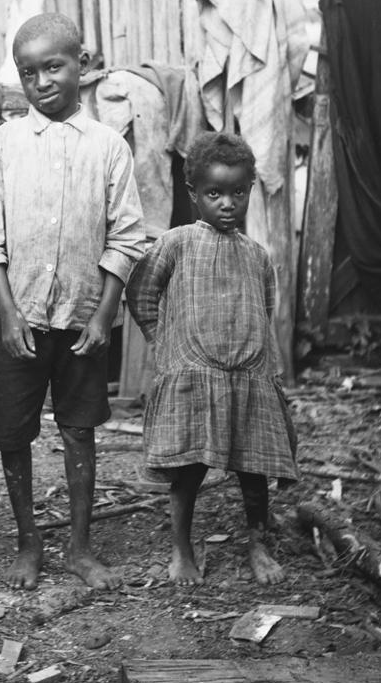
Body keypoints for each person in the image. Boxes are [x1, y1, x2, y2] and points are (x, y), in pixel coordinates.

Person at [0, 13, 146, 591]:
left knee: (79, 429)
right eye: (29, 72)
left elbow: (127, 237)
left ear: (82, 64)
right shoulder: (4, 145)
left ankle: (79, 547)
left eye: (53, 67)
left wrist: (103, 314)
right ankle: (28, 542)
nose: (42, 82)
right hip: (19, 319)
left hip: (82, 319)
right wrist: (7, 312)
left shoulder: (109, 147)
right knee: (13, 432)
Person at [125, 132, 299, 586]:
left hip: (248, 376)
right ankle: (181, 549)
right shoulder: (177, 243)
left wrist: (265, 367)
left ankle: (258, 543)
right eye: (214, 193)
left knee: (253, 470)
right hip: (195, 375)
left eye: (238, 192)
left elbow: (264, 311)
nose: (227, 204)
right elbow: (141, 293)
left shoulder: (257, 256)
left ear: (250, 190)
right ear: (194, 193)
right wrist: (165, 343)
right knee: (189, 469)